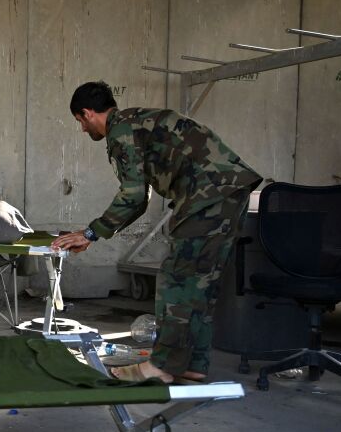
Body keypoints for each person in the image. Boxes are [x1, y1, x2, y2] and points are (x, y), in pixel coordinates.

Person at [50, 81, 262, 384]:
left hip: (208, 194)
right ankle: (192, 364)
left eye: (80, 122)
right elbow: (141, 199)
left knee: (177, 280)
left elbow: (133, 195)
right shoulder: (137, 122)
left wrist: (91, 234)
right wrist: (96, 233)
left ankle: (162, 367)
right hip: (228, 191)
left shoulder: (121, 131)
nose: (83, 130)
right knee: (200, 284)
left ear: (87, 114)